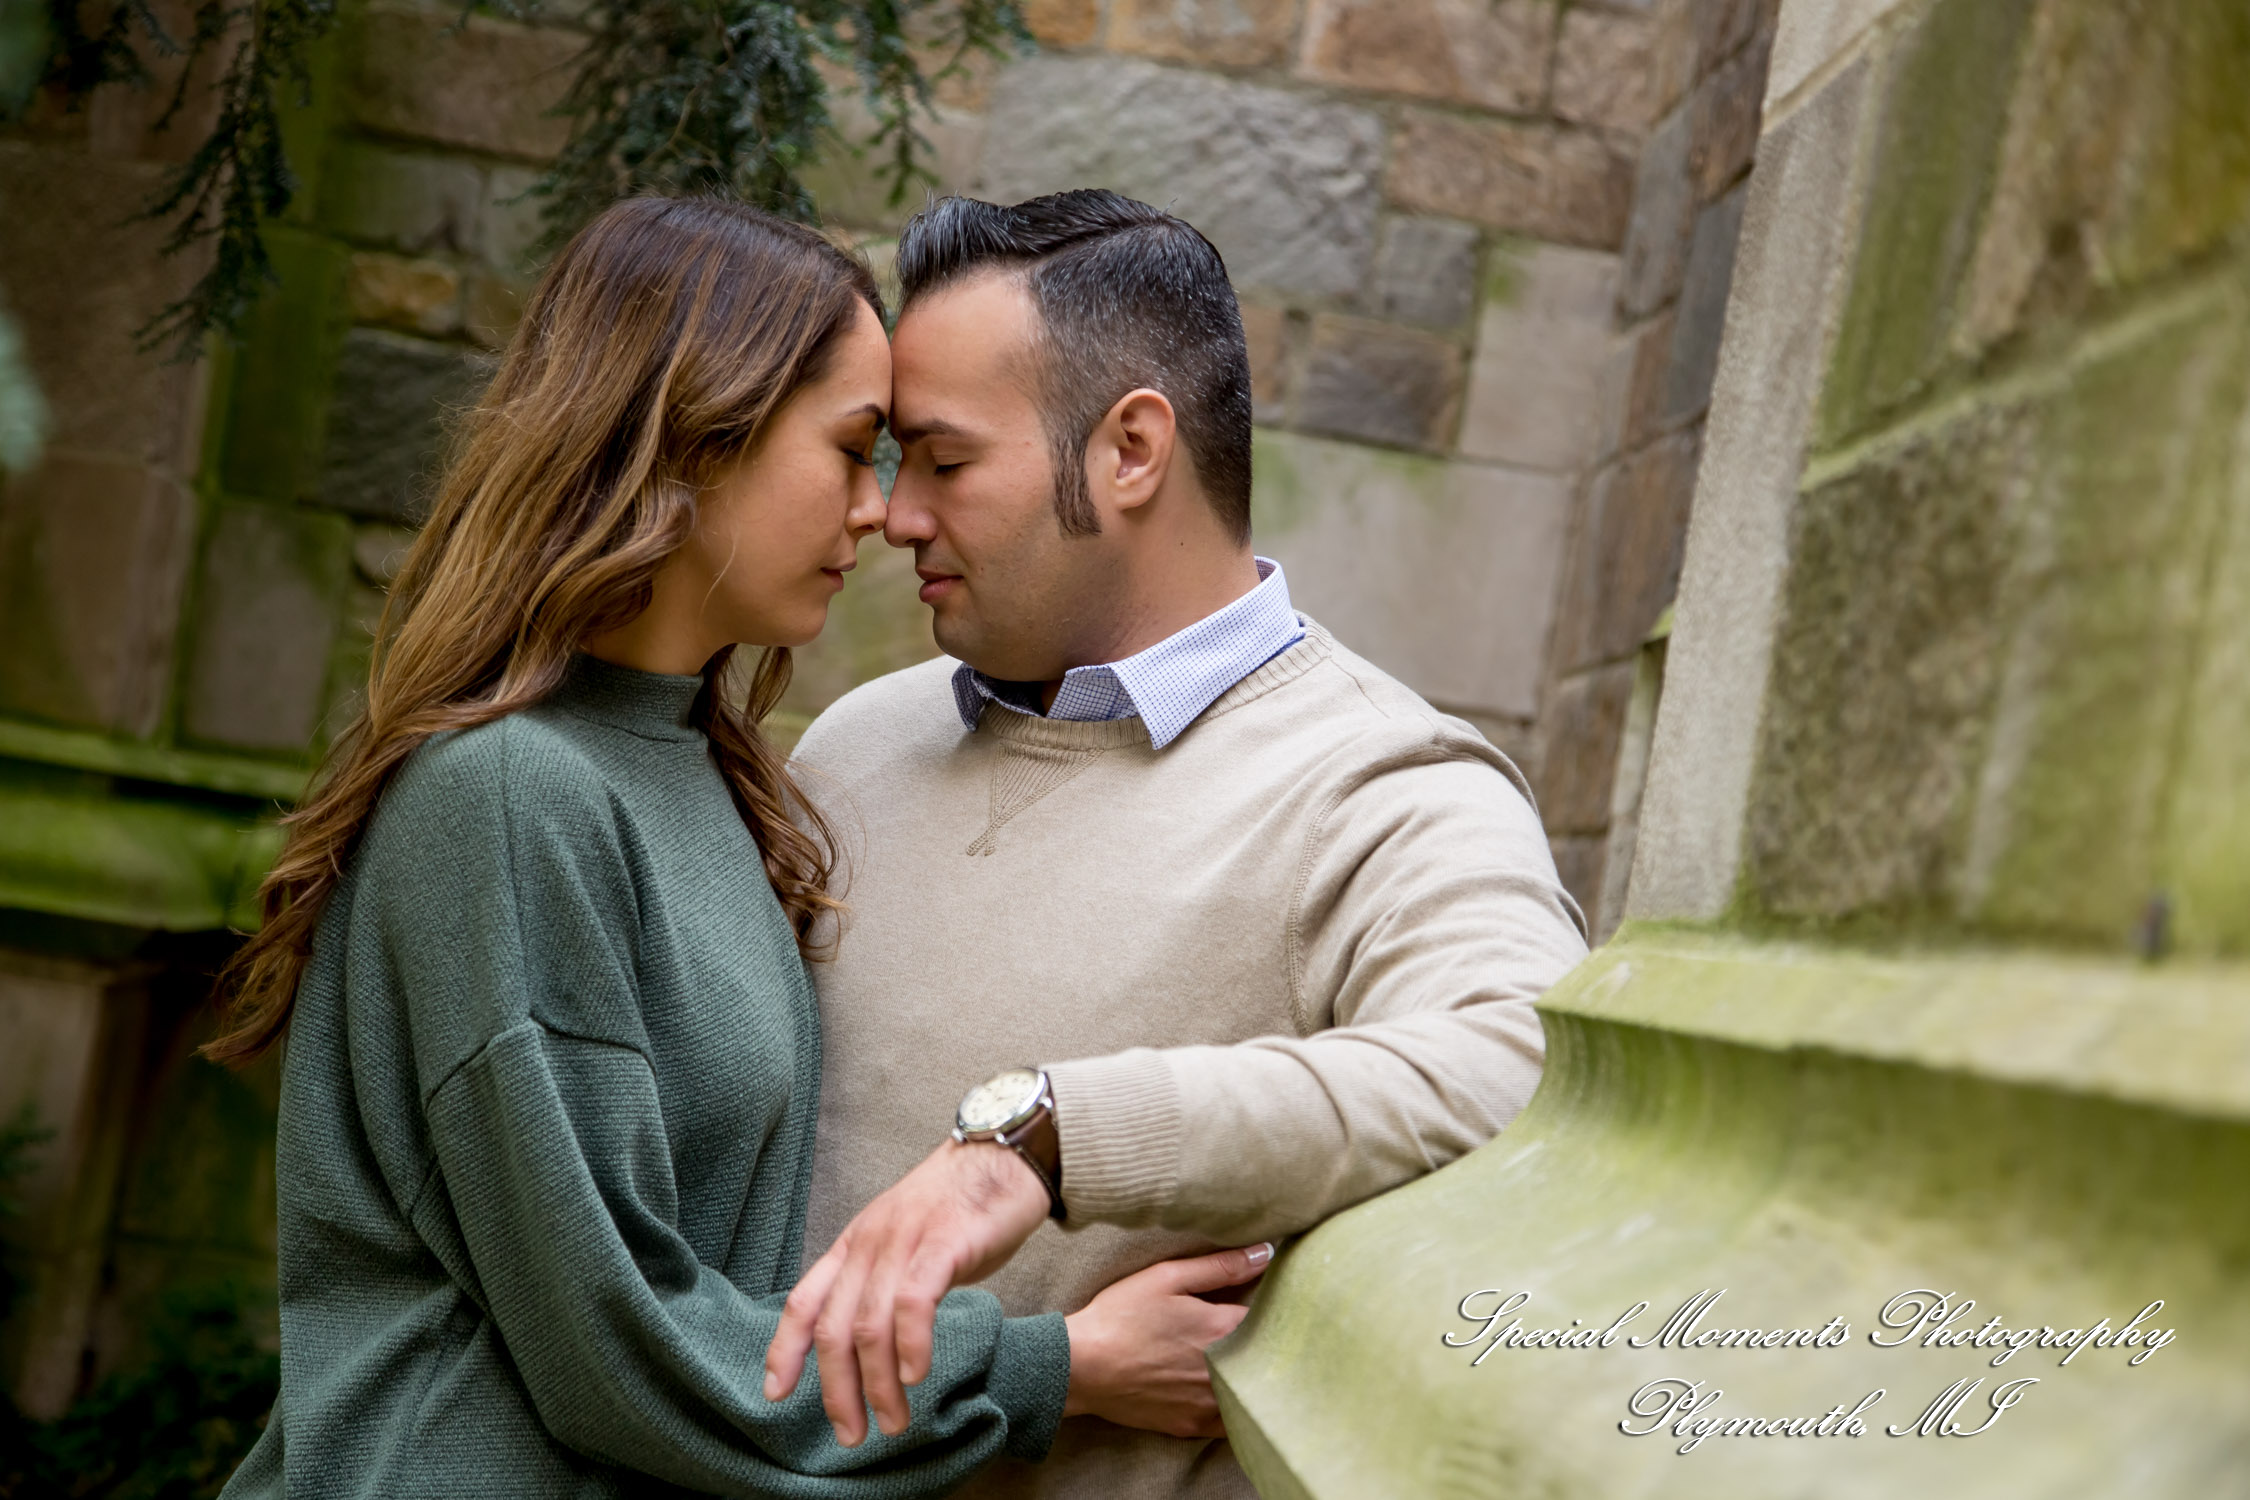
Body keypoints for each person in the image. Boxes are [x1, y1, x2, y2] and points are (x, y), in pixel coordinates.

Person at [205, 194, 1262, 1500]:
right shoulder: (508, 795)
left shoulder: (714, 774)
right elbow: (615, 1342)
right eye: (855, 450)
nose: (881, 514)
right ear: (700, 436)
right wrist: (1056, 1365)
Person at [764, 190, 1593, 1498]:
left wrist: (1047, 1139)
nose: (895, 517)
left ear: (1132, 450)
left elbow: (1526, 1065)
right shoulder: (851, 743)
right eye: (889, 462)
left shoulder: (1381, 784)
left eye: (944, 462)